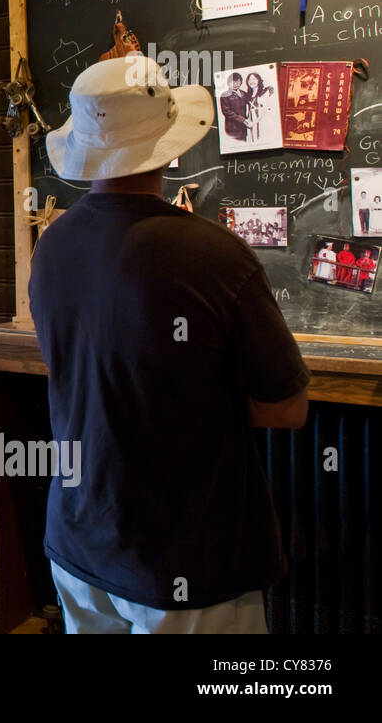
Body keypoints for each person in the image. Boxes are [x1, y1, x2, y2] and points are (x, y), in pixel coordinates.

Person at [32, 53, 308, 634]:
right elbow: (287, 408)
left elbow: (80, 364)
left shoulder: (51, 247)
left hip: (78, 540)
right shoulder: (215, 255)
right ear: (168, 143)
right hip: (185, 558)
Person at [219, 73, 250, 142]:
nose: (236, 84)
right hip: (232, 127)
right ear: (228, 83)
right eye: (233, 82)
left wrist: (265, 89)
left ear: (241, 82)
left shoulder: (244, 93)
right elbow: (226, 112)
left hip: (243, 127)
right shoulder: (225, 95)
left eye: (238, 81)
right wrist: (243, 120)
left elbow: (252, 101)